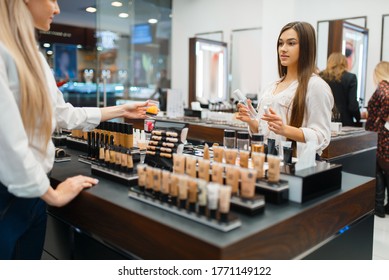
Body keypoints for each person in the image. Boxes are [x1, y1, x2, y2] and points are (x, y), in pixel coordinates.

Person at [0, 0, 149, 259]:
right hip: (10, 194)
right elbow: (7, 142)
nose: (57, 9)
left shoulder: (33, 56)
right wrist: (54, 196)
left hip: (34, 197)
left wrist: (121, 110)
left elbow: (61, 113)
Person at [237, 21, 333, 158]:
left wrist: (285, 130)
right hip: (267, 159)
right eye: (281, 43)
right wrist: (252, 122)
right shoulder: (271, 86)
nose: (283, 48)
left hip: (296, 165)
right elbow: (265, 131)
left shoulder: (316, 86)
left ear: (306, 47)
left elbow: (321, 137)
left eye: (291, 43)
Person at [365, 61, 389, 218]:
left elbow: (386, 106)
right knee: (382, 170)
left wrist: (377, 121)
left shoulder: (383, 88)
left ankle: (378, 205)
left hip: (379, 136)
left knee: (379, 170)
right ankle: (381, 205)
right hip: (381, 135)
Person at [320, 52, 361, 126]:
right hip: (345, 121)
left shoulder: (321, 77)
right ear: (344, 63)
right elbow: (353, 105)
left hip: (324, 120)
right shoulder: (350, 78)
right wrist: (358, 119)